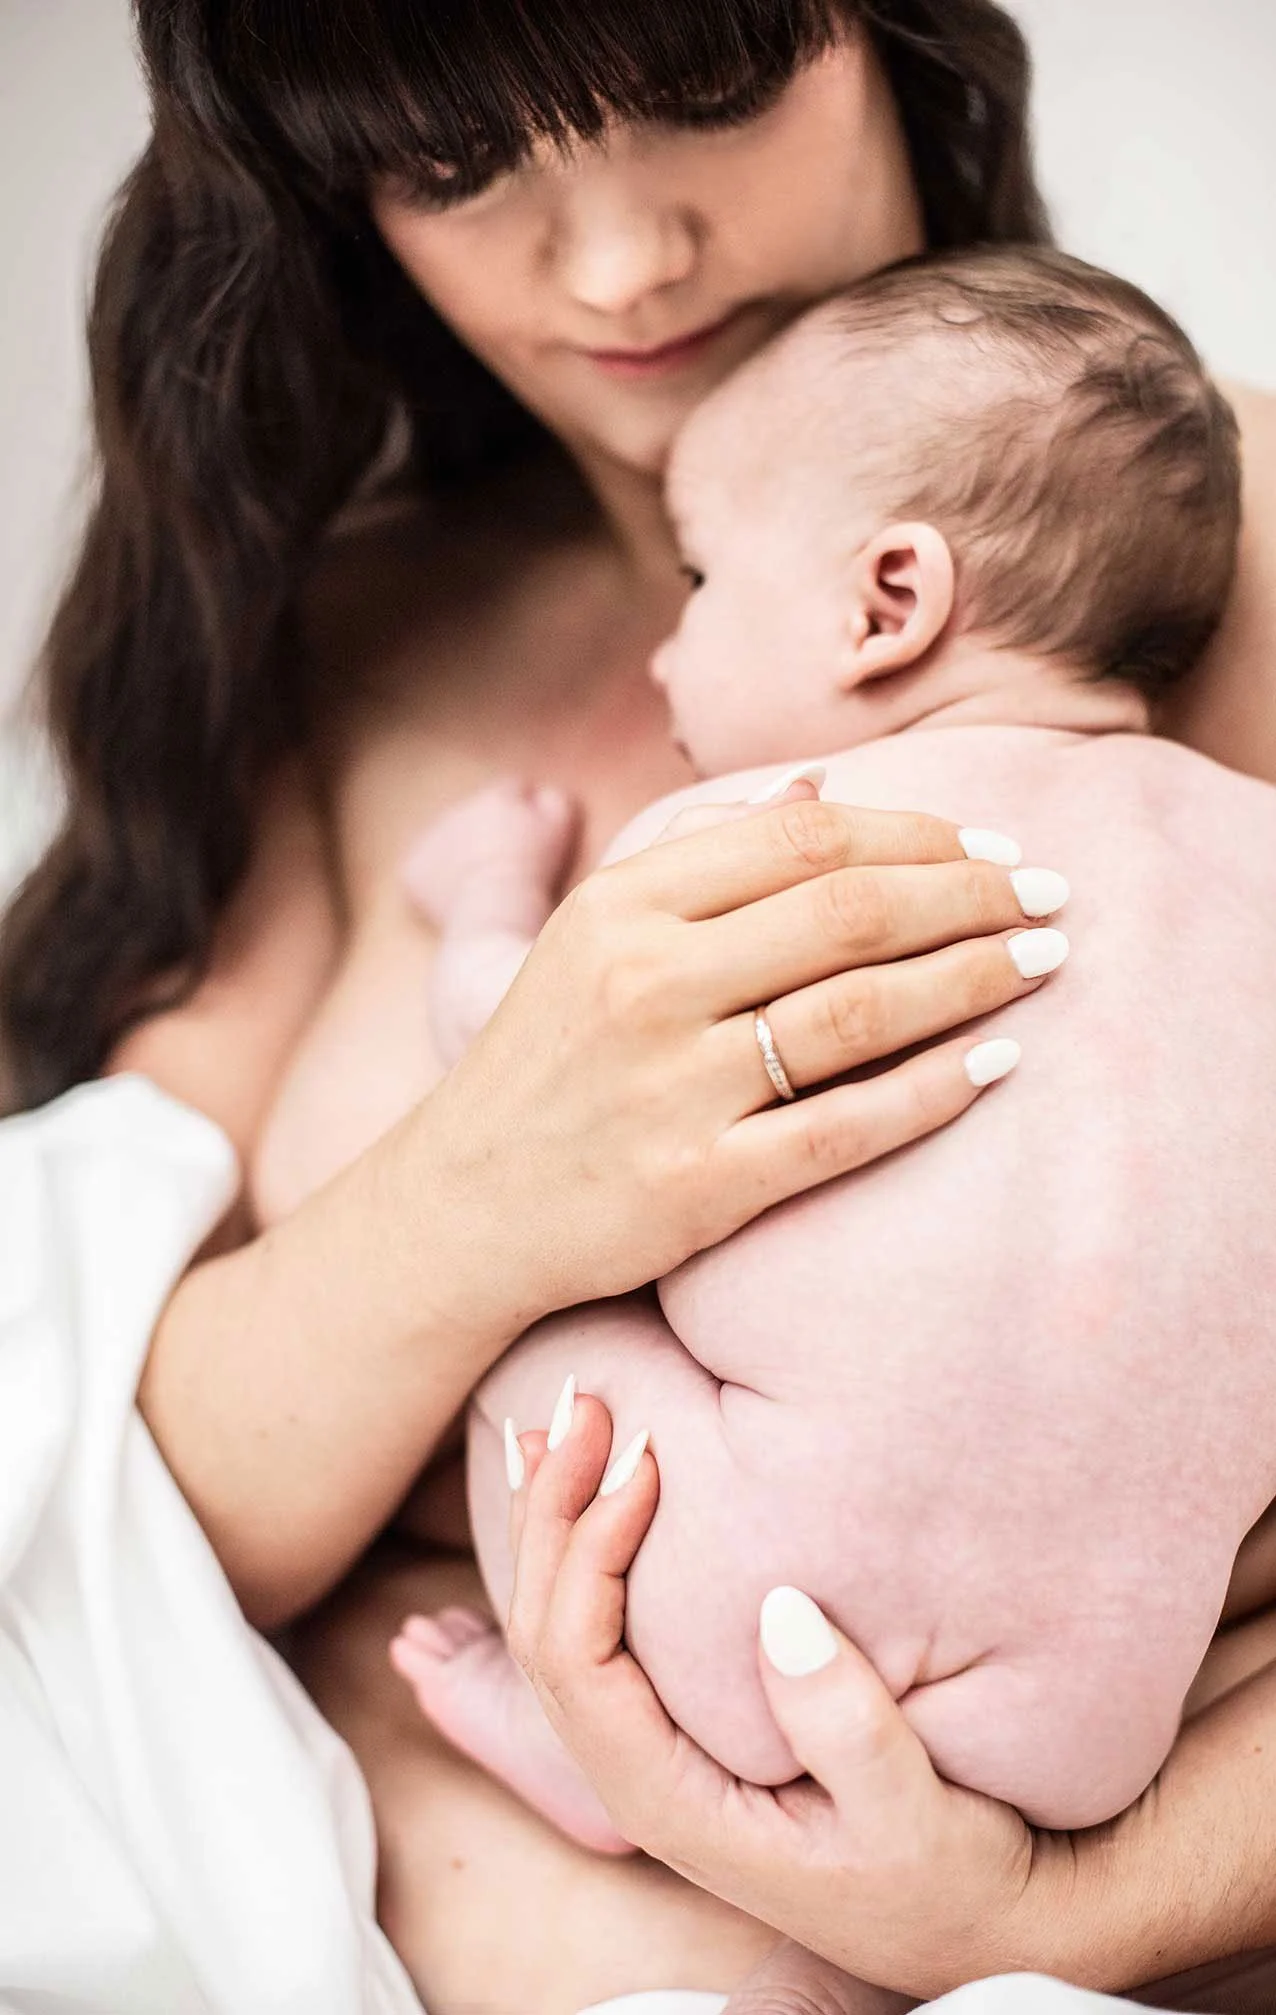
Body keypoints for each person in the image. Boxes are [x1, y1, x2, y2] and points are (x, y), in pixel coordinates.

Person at [0, 3, 1273, 2010]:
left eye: (702, 88)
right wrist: (496, 1183)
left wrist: (1053, 1925)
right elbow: (124, 1505)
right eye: (452, 162)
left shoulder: (1230, 561)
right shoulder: (343, 635)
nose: (613, 266)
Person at [383, 243, 1276, 1856]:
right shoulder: (1258, 859)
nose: (667, 652)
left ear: (889, 603)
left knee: (512, 1288)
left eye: (704, 583)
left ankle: (596, 1750)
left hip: (739, 1625)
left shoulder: (758, 836)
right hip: (1095, 1721)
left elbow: (523, 1092)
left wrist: (485, 907)